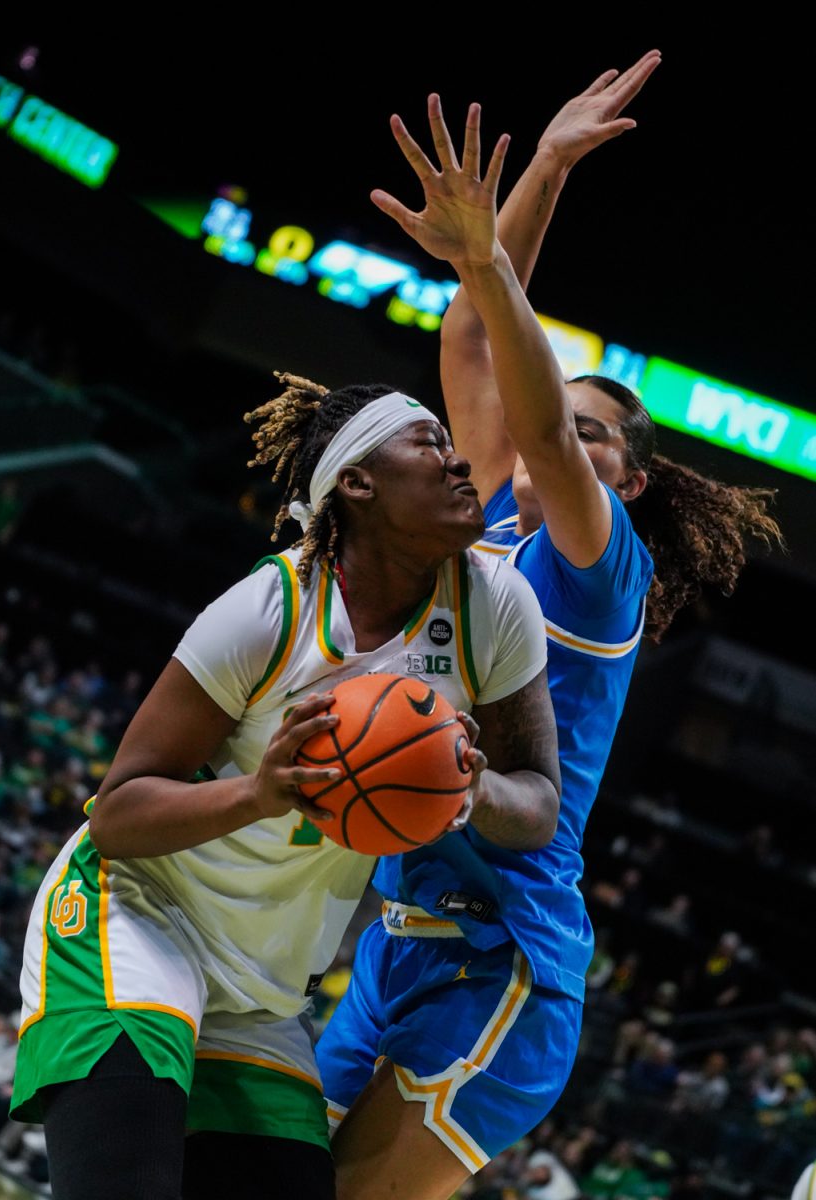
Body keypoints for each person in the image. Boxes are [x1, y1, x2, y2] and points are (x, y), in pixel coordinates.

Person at [316, 71, 783, 1200]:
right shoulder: (481, 525)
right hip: (399, 935)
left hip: (503, 960)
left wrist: (485, 261)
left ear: (626, 475)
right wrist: (547, 170)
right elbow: (475, 342)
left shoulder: (596, 569)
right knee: (243, 1173)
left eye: (592, 436)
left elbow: (525, 404)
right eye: (561, 424)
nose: (561, 440)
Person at [10, 364, 560, 1198]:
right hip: (139, 919)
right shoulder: (268, 612)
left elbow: (538, 805)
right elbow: (119, 814)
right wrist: (257, 794)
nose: (460, 465)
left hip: (265, 987)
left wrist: (472, 791)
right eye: (430, 443)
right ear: (357, 483)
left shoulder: (494, 606)